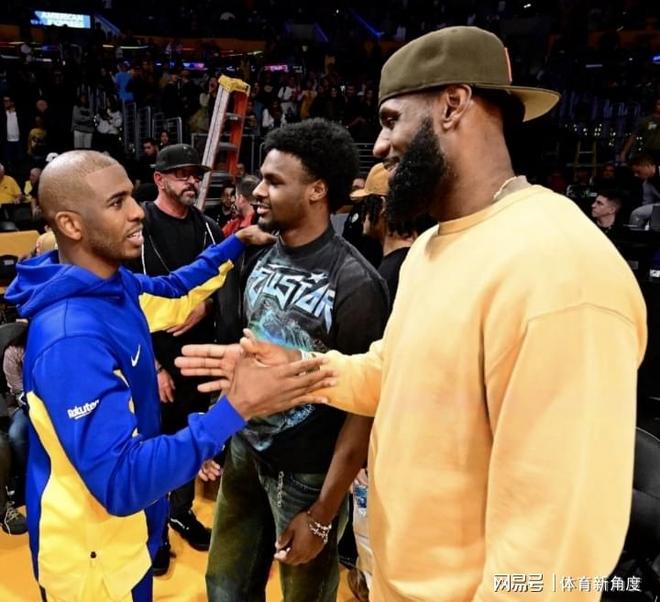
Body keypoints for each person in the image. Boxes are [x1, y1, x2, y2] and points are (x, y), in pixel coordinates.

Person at [181, 26, 647, 601]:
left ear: (453, 104)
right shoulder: (432, 246)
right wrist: (297, 370)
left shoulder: (561, 267)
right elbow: (391, 372)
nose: (379, 146)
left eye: (390, 119)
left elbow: (555, 544)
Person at [4, 150, 332, 602]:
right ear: (71, 225)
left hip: (125, 537)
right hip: (90, 560)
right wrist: (235, 409)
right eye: (117, 202)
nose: (138, 211)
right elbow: (121, 480)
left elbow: (176, 290)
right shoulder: (70, 340)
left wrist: (235, 243)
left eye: (131, 196)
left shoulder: (112, 286)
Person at [194, 118, 389, 602]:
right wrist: (218, 432)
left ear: (317, 191)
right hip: (245, 449)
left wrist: (322, 515)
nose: (258, 192)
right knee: (224, 586)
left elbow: (364, 410)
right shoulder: (260, 257)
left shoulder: (356, 283)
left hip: (306, 474)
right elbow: (246, 356)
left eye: (274, 181)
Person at [126, 143, 224, 574]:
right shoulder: (138, 226)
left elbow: (223, 285)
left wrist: (205, 305)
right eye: (182, 174)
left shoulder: (208, 227)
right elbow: (126, 299)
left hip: (198, 357)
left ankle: (180, 512)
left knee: (191, 437)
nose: (192, 181)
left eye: (195, 174)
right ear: (160, 179)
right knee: (154, 446)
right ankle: (155, 530)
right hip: (153, 359)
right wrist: (154, 366)